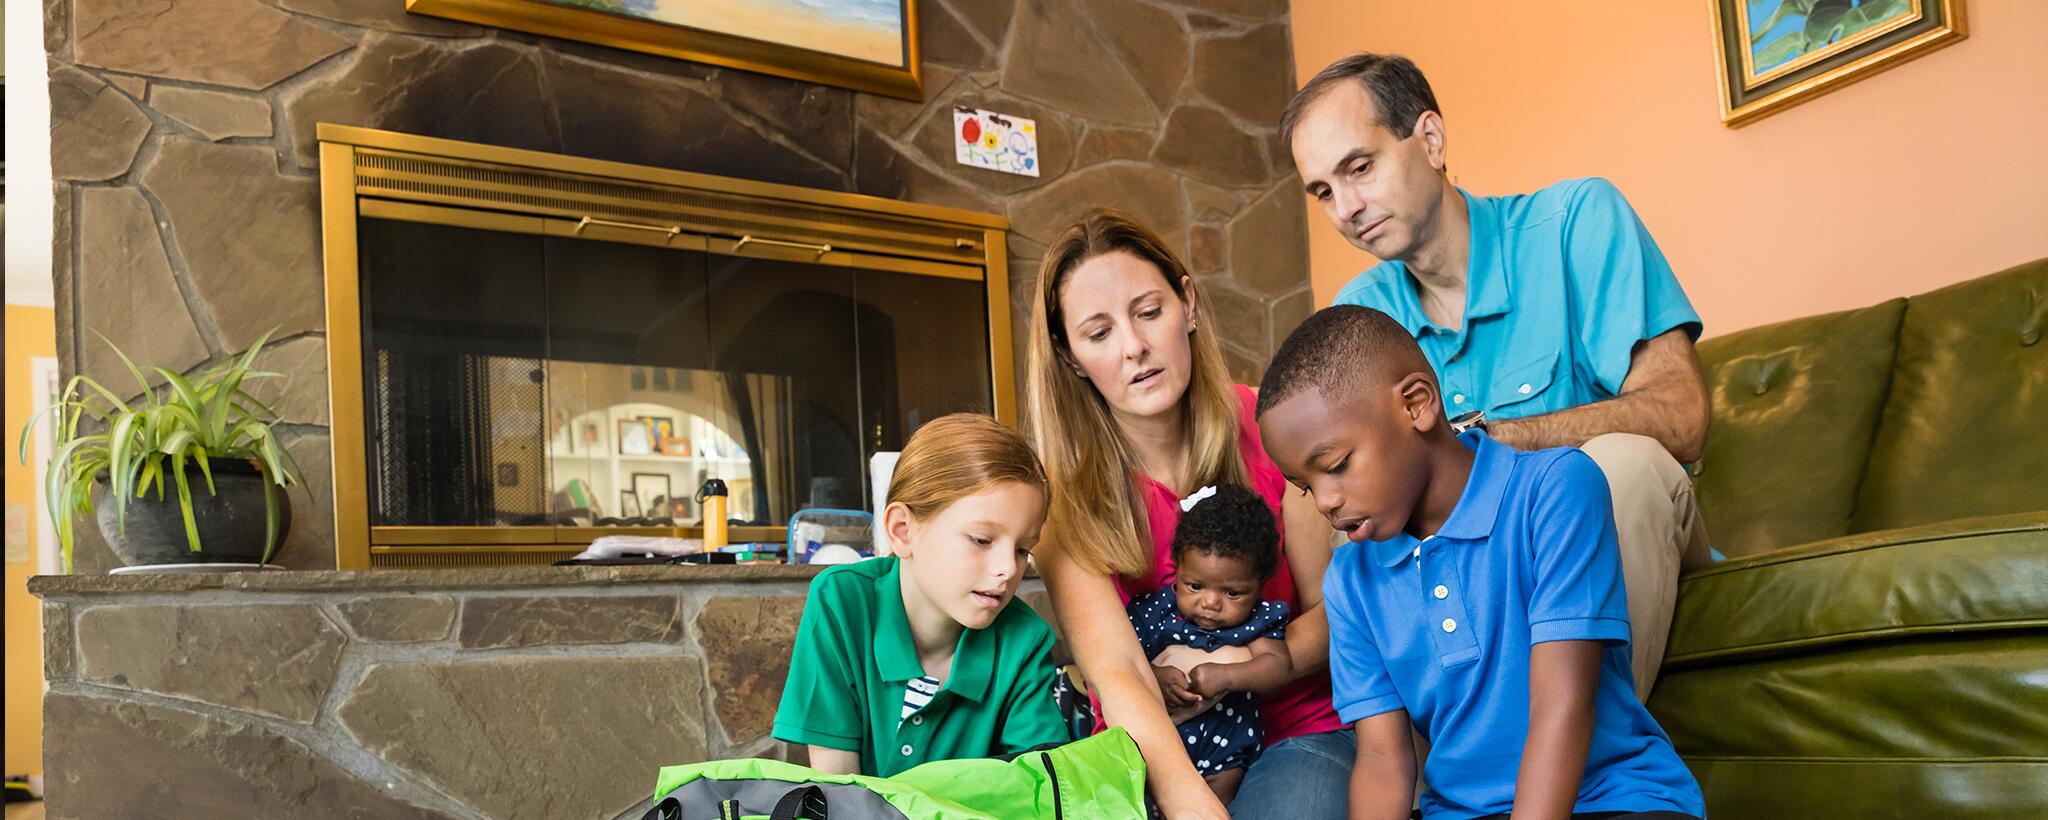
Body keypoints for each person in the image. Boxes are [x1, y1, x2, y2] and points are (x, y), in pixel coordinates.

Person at [1283, 53, 1716, 695]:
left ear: (1430, 140)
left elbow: (1683, 418)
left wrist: (1497, 438)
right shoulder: (1357, 316)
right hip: (1475, 579)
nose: (1345, 206)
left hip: (1610, 534)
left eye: (1360, 167)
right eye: (1323, 191)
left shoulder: (1576, 221)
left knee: (1624, 466)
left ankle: (1575, 773)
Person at [1257, 305, 1706, 820]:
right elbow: (1383, 758)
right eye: (1305, 486)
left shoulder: (1556, 489)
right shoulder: (1349, 581)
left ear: (1416, 404)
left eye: (1336, 466)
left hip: (1614, 799)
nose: (1325, 501)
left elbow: (1560, 705)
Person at [1025, 208, 1347, 820]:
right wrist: (1189, 806)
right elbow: (1117, 674)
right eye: (1098, 334)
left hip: (1295, 729)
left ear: (1188, 304)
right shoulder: (1065, 499)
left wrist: (1230, 665)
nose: (1134, 347)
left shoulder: (1269, 424)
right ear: (1070, 357)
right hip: (1152, 752)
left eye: (1149, 312)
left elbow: (1330, 617)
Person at [771, 413, 1068, 777]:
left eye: (1024, 549)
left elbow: (1037, 788)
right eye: (981, 540)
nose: (1009, 568)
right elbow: (838, 793)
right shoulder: (840, 603)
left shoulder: (1024, 641)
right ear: (903, 531)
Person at [1126, 483, 1295, 805]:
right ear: (1178, 567)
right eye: (1195, 586)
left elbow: (1278, 665)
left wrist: (1226, 675)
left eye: (1232, 592)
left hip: (1226, 749)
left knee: (1217, 806)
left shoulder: (1259, 619)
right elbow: (1125, 661)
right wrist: (1156, 676)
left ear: (1260, 583)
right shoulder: (1155, 610)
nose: (1210, 603)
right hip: (1160, 747)